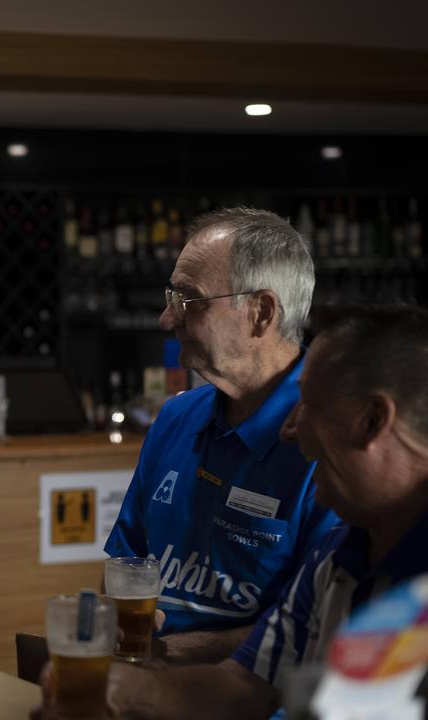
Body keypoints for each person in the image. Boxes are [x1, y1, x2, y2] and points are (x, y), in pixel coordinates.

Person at [45, 305, 428, 719]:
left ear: (371, 421)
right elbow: (245, 683)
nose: (289, 428)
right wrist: (126, 691)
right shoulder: (337, 558)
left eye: (309, 405)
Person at [103, 208, 340, 663]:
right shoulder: (175, 417)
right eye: (171, 296)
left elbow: (324, 627)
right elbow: (124, 562)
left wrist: (191, 651)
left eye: (188, 301)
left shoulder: (331, 441)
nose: (166, 320)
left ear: (261, 313)